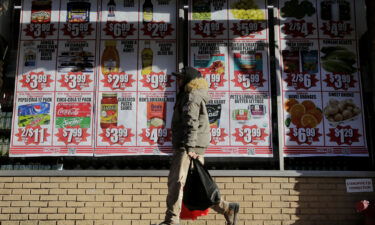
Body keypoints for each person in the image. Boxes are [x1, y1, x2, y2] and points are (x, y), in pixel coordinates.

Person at [159, 67, 240, 225]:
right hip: (191, 146)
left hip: (188, 146)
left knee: (176, 182)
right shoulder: (187, 95)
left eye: (181, 78)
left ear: (188, 80)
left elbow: (192, 123)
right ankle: (227, 208)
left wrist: (190, 148)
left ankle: (171, 220)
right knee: (197, 185)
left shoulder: (192, 96)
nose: (178, 81)